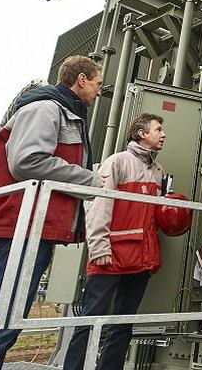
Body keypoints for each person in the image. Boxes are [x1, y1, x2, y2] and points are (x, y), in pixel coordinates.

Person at [0, 56, 103, 369]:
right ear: (82, 80)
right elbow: (27, 161)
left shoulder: (63, 112)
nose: (99, 91)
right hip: (25, 224)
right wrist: (92, 181)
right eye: (98, 83)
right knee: (4, 319)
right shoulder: (47, 108)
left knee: (4, 316)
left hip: (32, 224)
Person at [63, 113, 167, 370]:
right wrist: (99, 248)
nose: (163, 135)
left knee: (123, 325)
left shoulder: (158, 171)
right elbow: (99, 204)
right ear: (141, 134)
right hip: (110, 256)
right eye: (158, 130)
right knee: (89, 322)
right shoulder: (117, 162)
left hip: (141, 259)